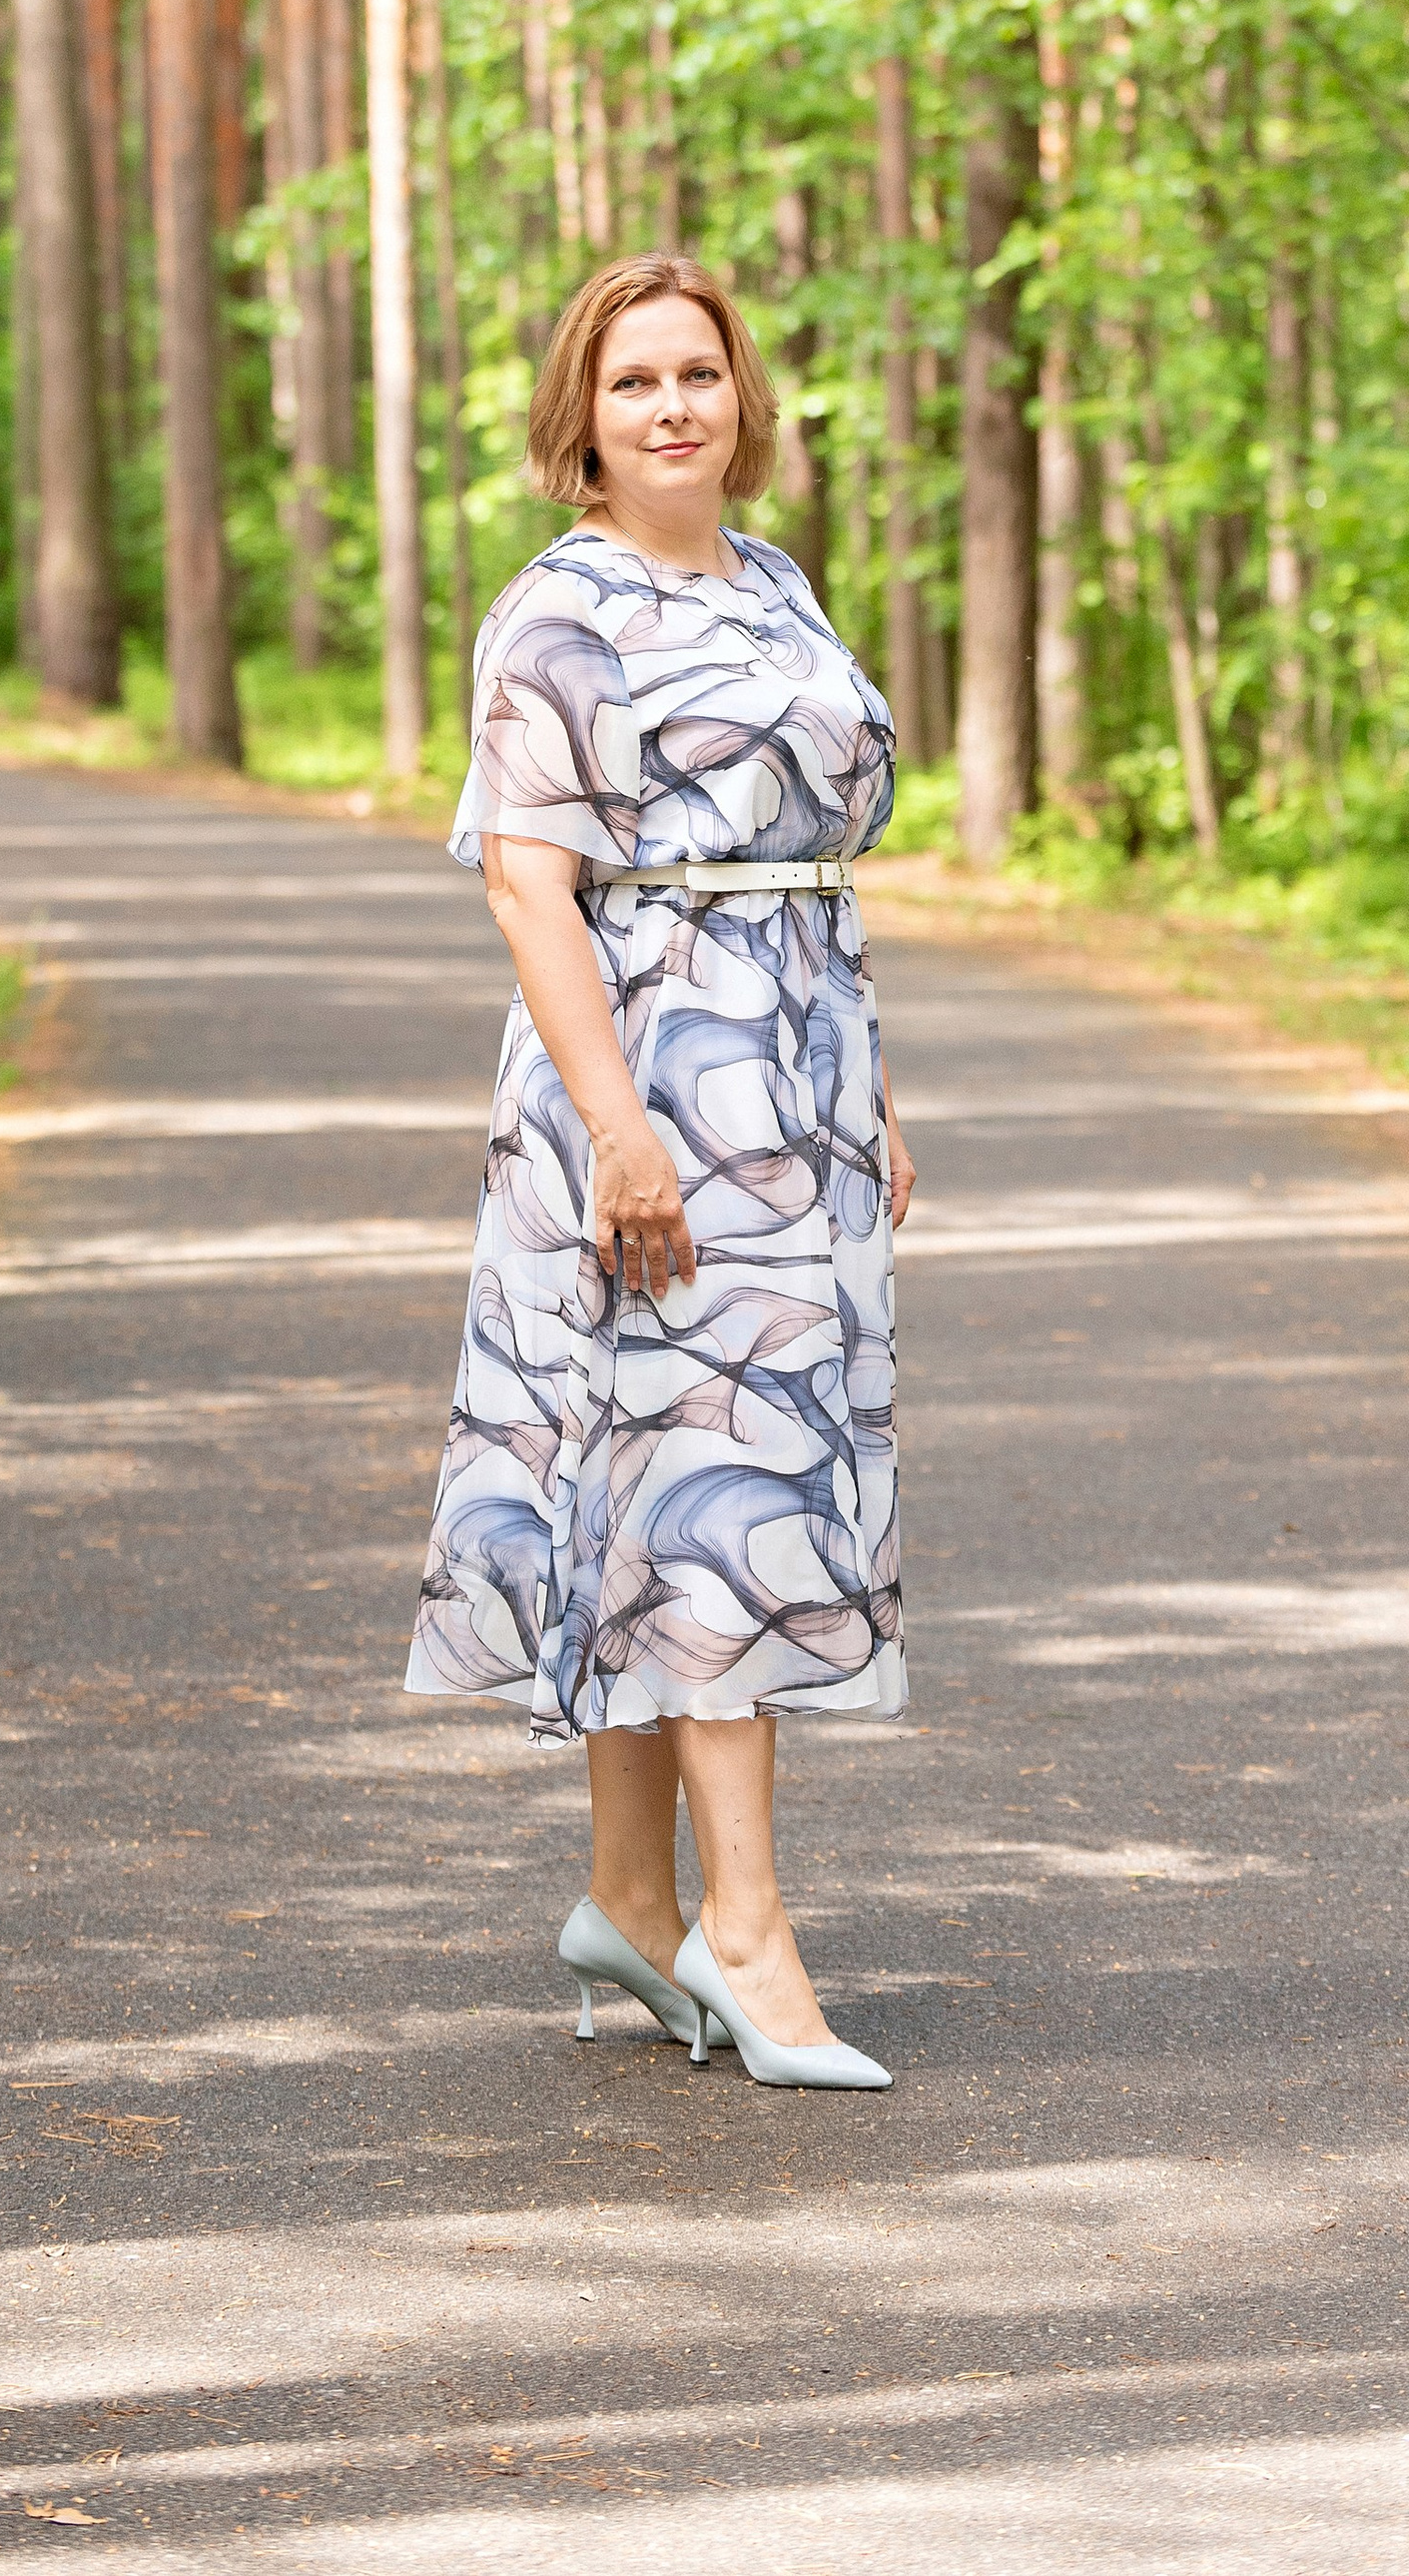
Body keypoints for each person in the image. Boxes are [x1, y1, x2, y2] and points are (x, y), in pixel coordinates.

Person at [405, 252, 914, 2093]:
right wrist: (622, 1125)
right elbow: (527, 882)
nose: (676, 406)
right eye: (636, 384)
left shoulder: (774, 582)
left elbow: (809, 866)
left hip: (796, 1079)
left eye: (701, 373)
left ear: (741, 401)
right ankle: (751, 1936)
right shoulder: (558, 610)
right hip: (647, 1087)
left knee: (653, 1475)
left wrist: (870, 1098)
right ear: (584, 419)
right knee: (723, 1474)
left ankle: (632, 1897)